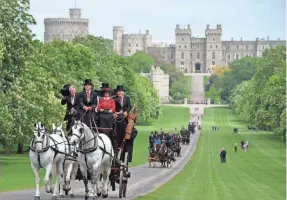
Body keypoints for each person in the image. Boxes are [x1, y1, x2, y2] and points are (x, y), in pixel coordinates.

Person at [113, 85, 134, 163]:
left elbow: (130, 106)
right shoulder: (114, 99)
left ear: (123, 93)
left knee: (126, 122)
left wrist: (126, 112)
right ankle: (115, 135)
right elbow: (112, 107)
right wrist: (114, 112)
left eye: (121, 92)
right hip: (116, 115)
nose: (120, 93)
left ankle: (124, 135)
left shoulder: (127, 98)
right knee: (115, 121)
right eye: (118, 92)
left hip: (124, 115)